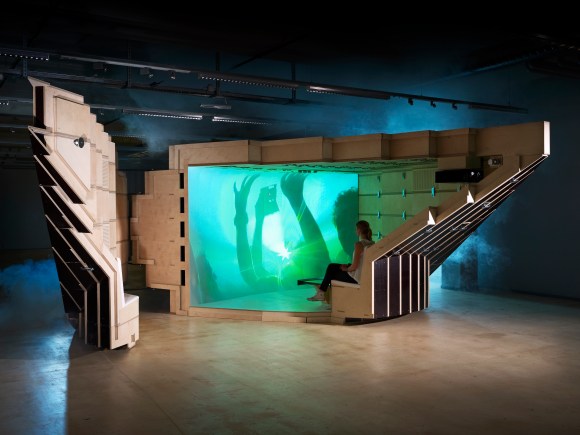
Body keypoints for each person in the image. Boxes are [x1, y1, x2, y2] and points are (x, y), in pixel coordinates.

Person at [307, 220, 375, 301]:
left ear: (359, 230)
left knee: (331, 271)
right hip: (362, 275)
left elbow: (354, 267)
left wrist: (346, 269)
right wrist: (348, 266)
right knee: (333, 266)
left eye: (356, 229)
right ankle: (321, 292)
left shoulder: (359, 244)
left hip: (355, 278)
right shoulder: (372, 244)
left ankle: (321, 293)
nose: (355, 231)